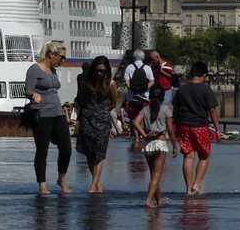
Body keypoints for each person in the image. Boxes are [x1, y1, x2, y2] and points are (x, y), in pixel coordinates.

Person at [24, 40, 72, 195]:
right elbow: (27, 90)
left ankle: (61, 179)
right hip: (42, 113)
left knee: (66, 148)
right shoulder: (35, 69)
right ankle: (42, 184)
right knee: (42, 150)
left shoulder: (53, 70)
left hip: (57, 112)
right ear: (51, 55)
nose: (63, 60)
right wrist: (35, 94)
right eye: (61, 57)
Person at [172, 60, 221, 196]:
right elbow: (212, 110)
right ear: (204, 74)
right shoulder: (206, 89)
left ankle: (188, 190)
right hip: (200, 126)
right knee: (204, 156)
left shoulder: (182, 89)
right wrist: (217, 129)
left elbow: (175, 110)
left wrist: (177, 125)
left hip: (184, 126)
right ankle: (197, 183)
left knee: (188, 156)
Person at [75, 55, 118, 194]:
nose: (99, 74)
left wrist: (103, 111)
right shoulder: (87, 83)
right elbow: (81, 98)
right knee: (89, 152)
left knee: (99, 153)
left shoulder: (111, 84)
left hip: (102, 120)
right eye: (97, 70)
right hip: (87, 117)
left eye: (102, 71)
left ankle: (93, 185)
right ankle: (97, 181)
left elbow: (113, 103)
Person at [133, 86, 178, 207]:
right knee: (156, 176)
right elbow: (170, 130)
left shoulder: (145, 110)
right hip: (160, 144)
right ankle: (148, 200)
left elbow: (135, 122)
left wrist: (144, 135)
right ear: (163, 98)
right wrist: (175, 146)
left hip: (149, 145)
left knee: (154, 175)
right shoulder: (166, 110)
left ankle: (158, 200)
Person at [122, 50, 154, 149]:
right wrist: (145, 88)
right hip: (144, 97)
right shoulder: (147, 68)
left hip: (132, 98)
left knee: (133, 118)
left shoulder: (129, 67)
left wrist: (133, 89)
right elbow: (152, 81)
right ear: (143, 58)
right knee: (142, 117)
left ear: (134, 57)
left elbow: (126, 81)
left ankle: (136, 138)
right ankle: (142, 135)